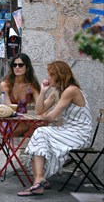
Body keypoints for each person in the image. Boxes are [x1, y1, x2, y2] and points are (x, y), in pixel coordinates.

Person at [17, 61, 93, 197]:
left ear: (59, 75)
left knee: (41, 132)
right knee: (40, 134)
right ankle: (39, 180)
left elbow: (53, 115)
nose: (48, 77)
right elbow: (39, 110)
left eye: (51, 75)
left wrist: (43, 119)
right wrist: (43, 91)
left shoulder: (71, 90)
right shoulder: (57, 91)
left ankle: (39, 180)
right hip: (68, 131)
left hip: (79, 134)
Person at [0, 53, 41, 136]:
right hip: (9, 121)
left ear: (27, 67)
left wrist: (43, 91)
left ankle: (28, 147)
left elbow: (41, 106)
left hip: (24, 122)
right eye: (14, 65)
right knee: (38, 129)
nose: (17, 67)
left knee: (41, 129)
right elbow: (9, 109)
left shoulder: (31, 86)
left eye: (20, 65)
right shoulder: (5, 85)